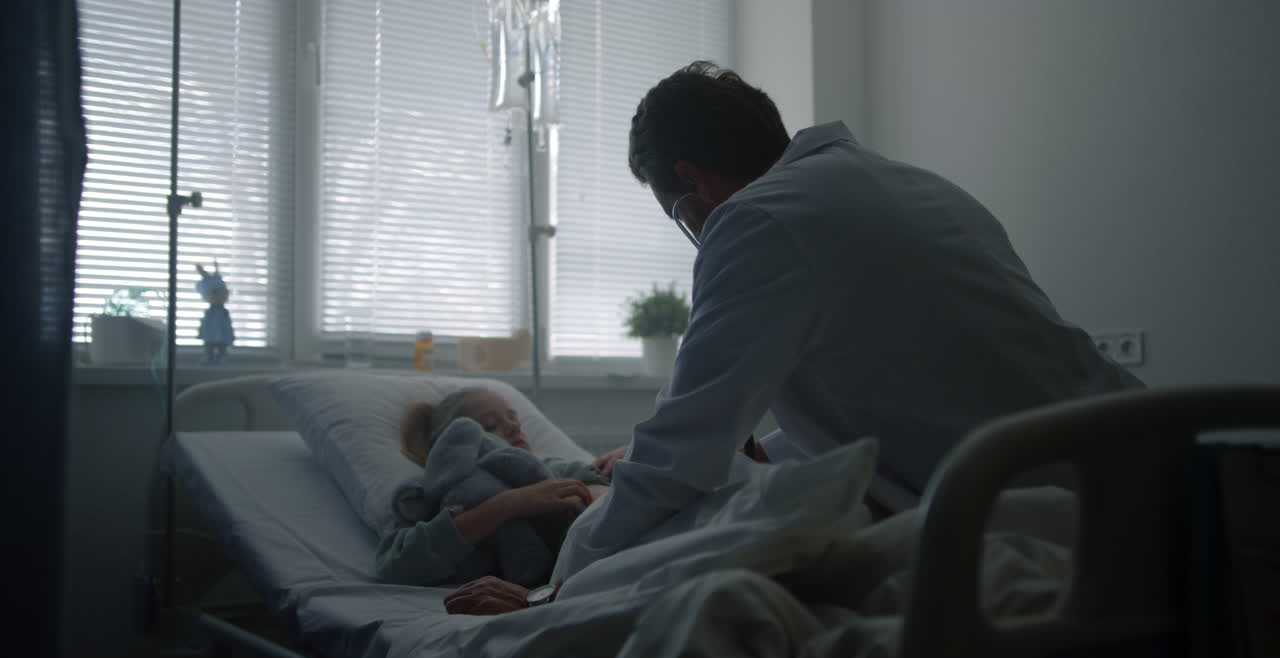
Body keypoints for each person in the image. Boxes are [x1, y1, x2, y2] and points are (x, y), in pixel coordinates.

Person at [447, 61, 1143, 614]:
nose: (693, 233)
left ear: (693, 182)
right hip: (1149, 470)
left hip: (1039, 518)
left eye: (678, 217)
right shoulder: (911, 187)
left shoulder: (756, 221)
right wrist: (754, 447)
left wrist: (558, 584)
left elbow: (678, 457)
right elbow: (888, 403)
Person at [377, 388, 609, 590]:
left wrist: (625, 460)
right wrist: (509, 504)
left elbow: (611, 494)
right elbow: (396, 565)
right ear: (453, 445)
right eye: (490, 425)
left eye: (513, 418)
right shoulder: (430, 494)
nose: (512, 426)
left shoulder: (555, 467)